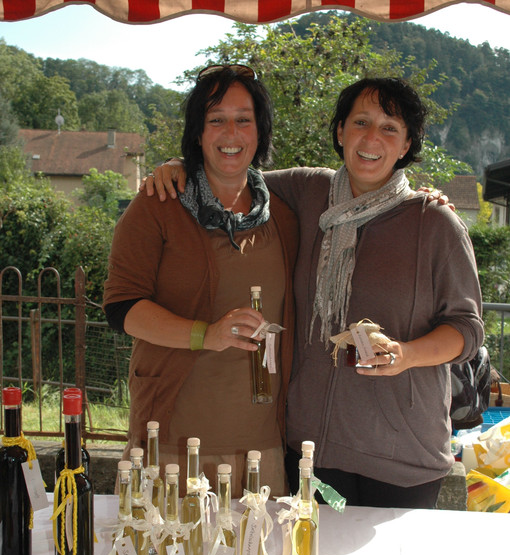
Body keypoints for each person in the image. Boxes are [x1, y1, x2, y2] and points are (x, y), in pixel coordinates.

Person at [144, 76, 483, 509]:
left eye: (389, 128)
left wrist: (407, 354)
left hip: (401, 457)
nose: (371, 139)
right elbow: (229, 168)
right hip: (311, 453)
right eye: (360, 122)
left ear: (407, 145)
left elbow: (466, 329)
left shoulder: (434, 223)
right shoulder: (308, 190)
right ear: (340, 131)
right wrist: (179, 165)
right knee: (310, 552)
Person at [103, 65, 298, 497]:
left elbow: (356, 188)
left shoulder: (284, 215)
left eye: (244, 119)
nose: (231, 132)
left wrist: (426, 201)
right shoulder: (158, 203)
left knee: (256, 545)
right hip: (171, 445)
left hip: (261, 447)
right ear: (197, 132)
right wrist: (206, 335)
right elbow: (122, 307)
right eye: (216, 119)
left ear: (260, 131)